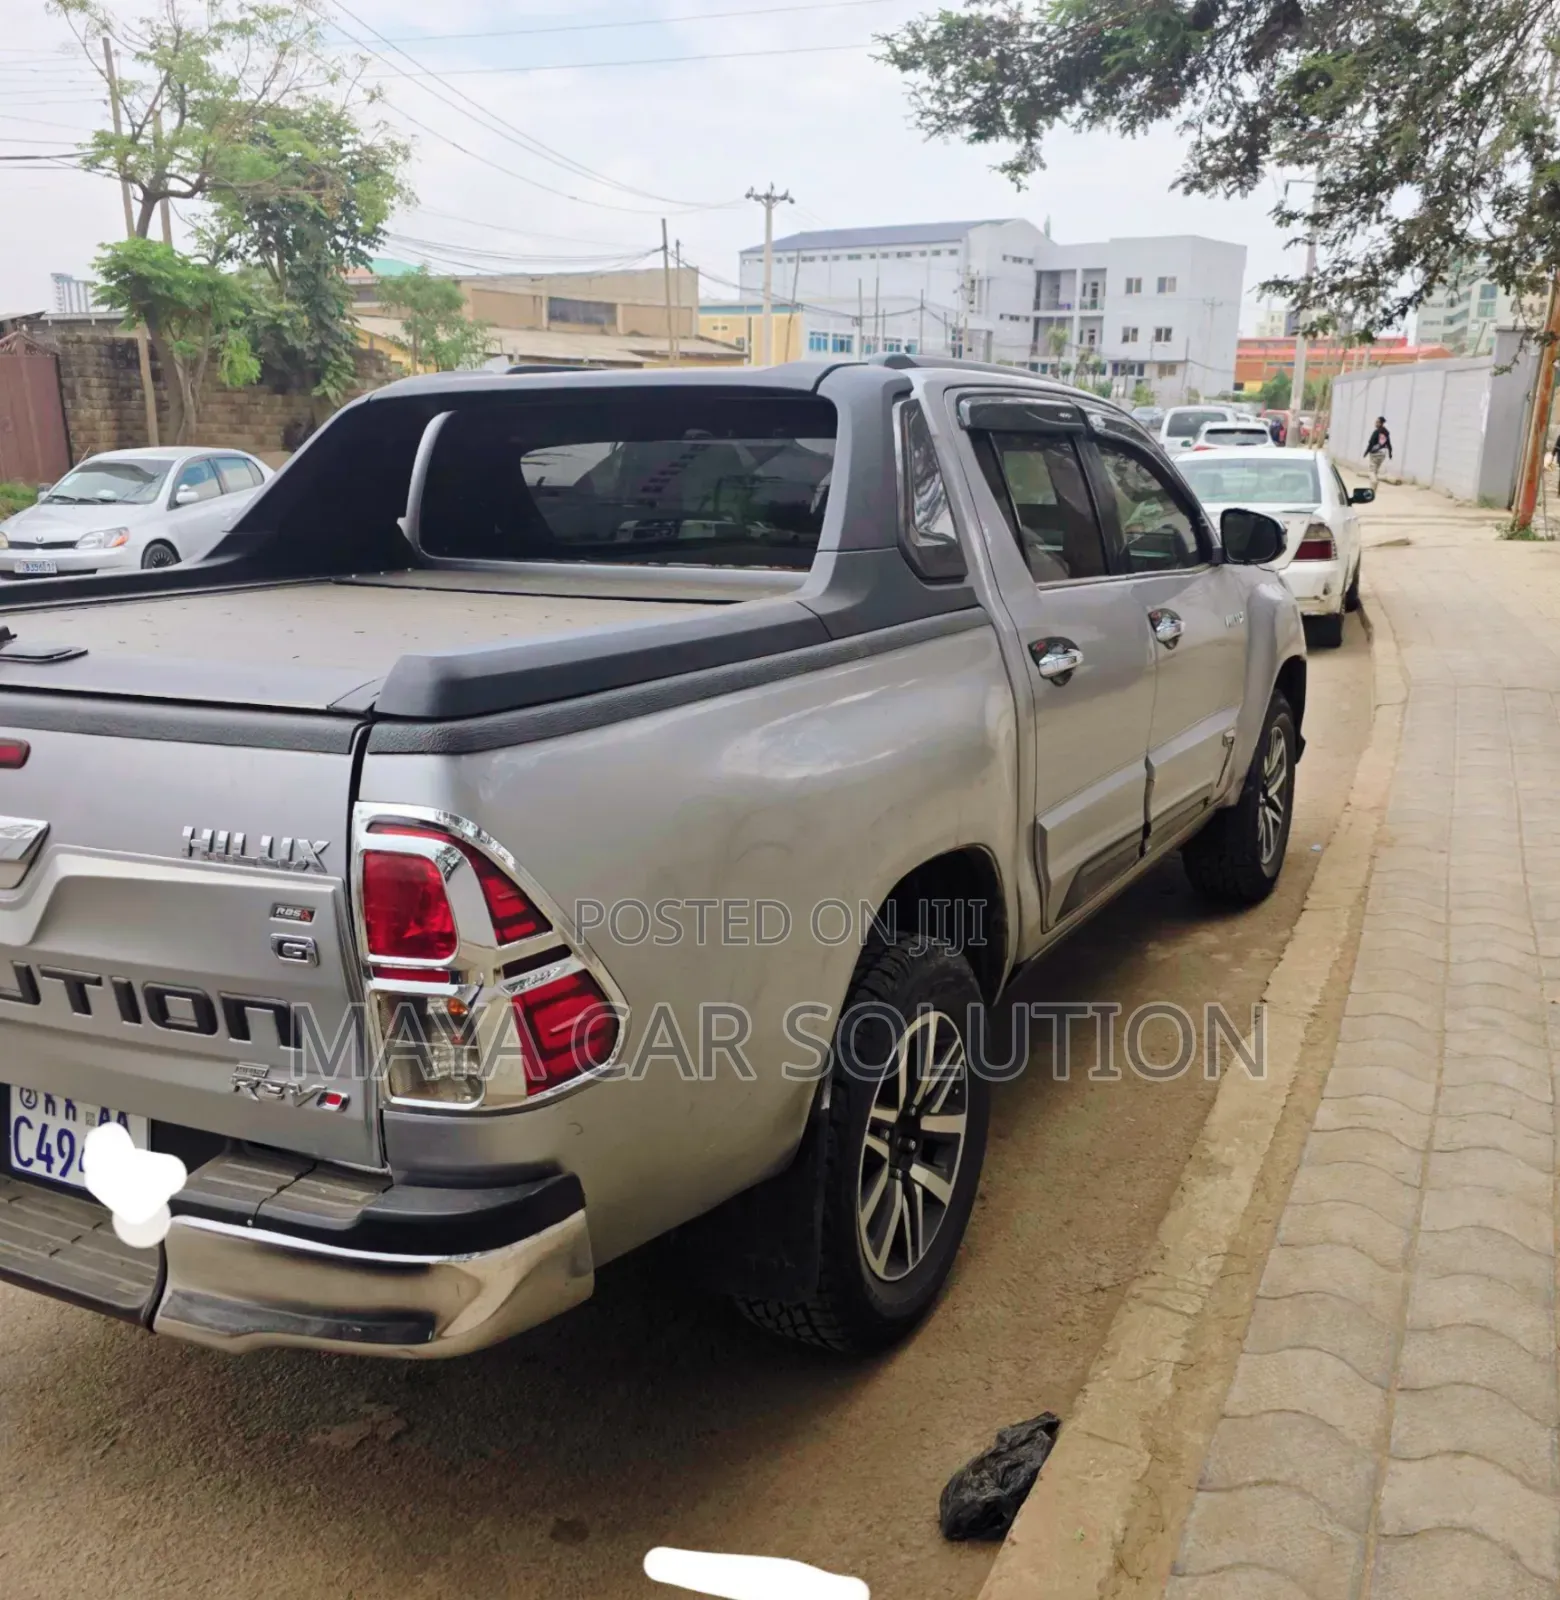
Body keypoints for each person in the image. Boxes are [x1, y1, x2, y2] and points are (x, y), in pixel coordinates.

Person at [1365, 417, 1393, 486]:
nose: (1375, 423)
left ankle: (1374, 482)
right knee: (1376, 471)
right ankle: (1373, 488)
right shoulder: (1386, 432)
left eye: (1377, 422)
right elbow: (1388, 443)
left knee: (1371, 471)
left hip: (1375, 453)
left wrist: (1366, 452)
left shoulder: (1376, 432)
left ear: (1381, 423)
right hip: (1383, 453)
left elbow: (1371, 443)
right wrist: (1390, 453)